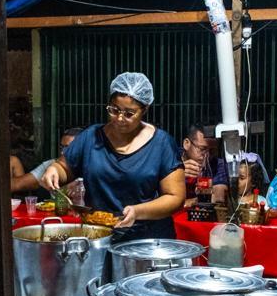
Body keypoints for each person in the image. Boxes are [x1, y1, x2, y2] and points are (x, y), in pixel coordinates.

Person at [39, 71, 184, 240]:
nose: (120, 118)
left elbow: (176, 197)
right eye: (114, 110)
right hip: (98, 236)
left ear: (145, 109)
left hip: (147, 240)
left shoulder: (161, 143)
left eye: (129, 113)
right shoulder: (91, 137)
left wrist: (137, 211)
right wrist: (54, 170)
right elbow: (64, 167)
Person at [181, 124, 229, 207]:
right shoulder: (171, 159)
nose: (207, 155)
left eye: (212, 150)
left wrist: (193, 201)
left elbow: (219, 197)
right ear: (186, 144)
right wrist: (177, 174)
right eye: (202, 149)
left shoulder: (217, 164)